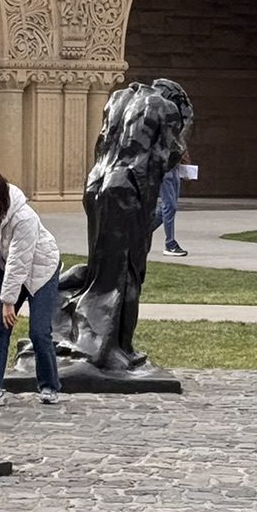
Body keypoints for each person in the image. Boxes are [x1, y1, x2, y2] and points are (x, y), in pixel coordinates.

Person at [55, 77, 192, 378]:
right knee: (125, 271)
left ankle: (100, 338)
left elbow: (101, 144)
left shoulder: (117, 98)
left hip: (97, 182)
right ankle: (112, 348)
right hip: (127, 187)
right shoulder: (166, 108)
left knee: (100, 266)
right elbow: (166, 155)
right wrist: (184, 129)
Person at [0, 166, 63, 406]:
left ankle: (49, 386)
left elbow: (21, 261)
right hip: (9, 267)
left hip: (40, 270)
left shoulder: (24, 218)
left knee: (39, 332)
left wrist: (8, 301)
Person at [152, 157, 187, 255]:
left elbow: (180, 149)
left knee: (165, 210)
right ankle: (170, 244)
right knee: (169, 206)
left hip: (174, 168)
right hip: (163, 169)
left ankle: (140, 235)